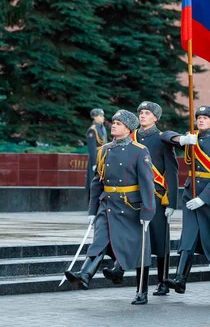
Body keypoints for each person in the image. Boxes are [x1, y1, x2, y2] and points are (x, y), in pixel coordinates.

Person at [65, 110, 155, 305]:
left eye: (119, 123)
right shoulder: (104, 150)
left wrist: (148, 211)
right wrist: (92, 210)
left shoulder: (140, 151)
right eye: (113, 122)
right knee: (100, 240)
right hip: (107, 205)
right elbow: (97, 182)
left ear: (129, 129)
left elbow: (147, 183)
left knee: (139, 249)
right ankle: (85, 275)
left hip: (131, 206)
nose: (113, 125)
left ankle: (142, 291)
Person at [163, 105, 210, 298]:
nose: (201, 120)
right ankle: (180, 279)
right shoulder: (191, 138)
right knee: (189, 235)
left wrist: (204, 198)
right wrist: (181, 139)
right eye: (199, 117)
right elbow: (164, 136)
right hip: (190, 194)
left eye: (205, 118)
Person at [120, 101, 179, 296]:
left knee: (160, 241)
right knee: (140, 242)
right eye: (140, 113)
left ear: (155, 117)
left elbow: (171, 171)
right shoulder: (131, 137)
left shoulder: (162, 139)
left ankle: (162, 281)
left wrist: (171, 202)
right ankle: (141, 285)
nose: (142, 116)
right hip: (135, 197)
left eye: (147, 113)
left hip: (157, 196)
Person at [85, 108, 107, 199]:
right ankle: (91, 204)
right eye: (100, 116)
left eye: (103, 116)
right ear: (95, 117)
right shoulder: (92, 130)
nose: (103, 118)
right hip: (96, 158)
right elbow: (92, 148)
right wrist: (94, 163)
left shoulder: (102, 128)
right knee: (93, 182)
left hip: (103, 156)